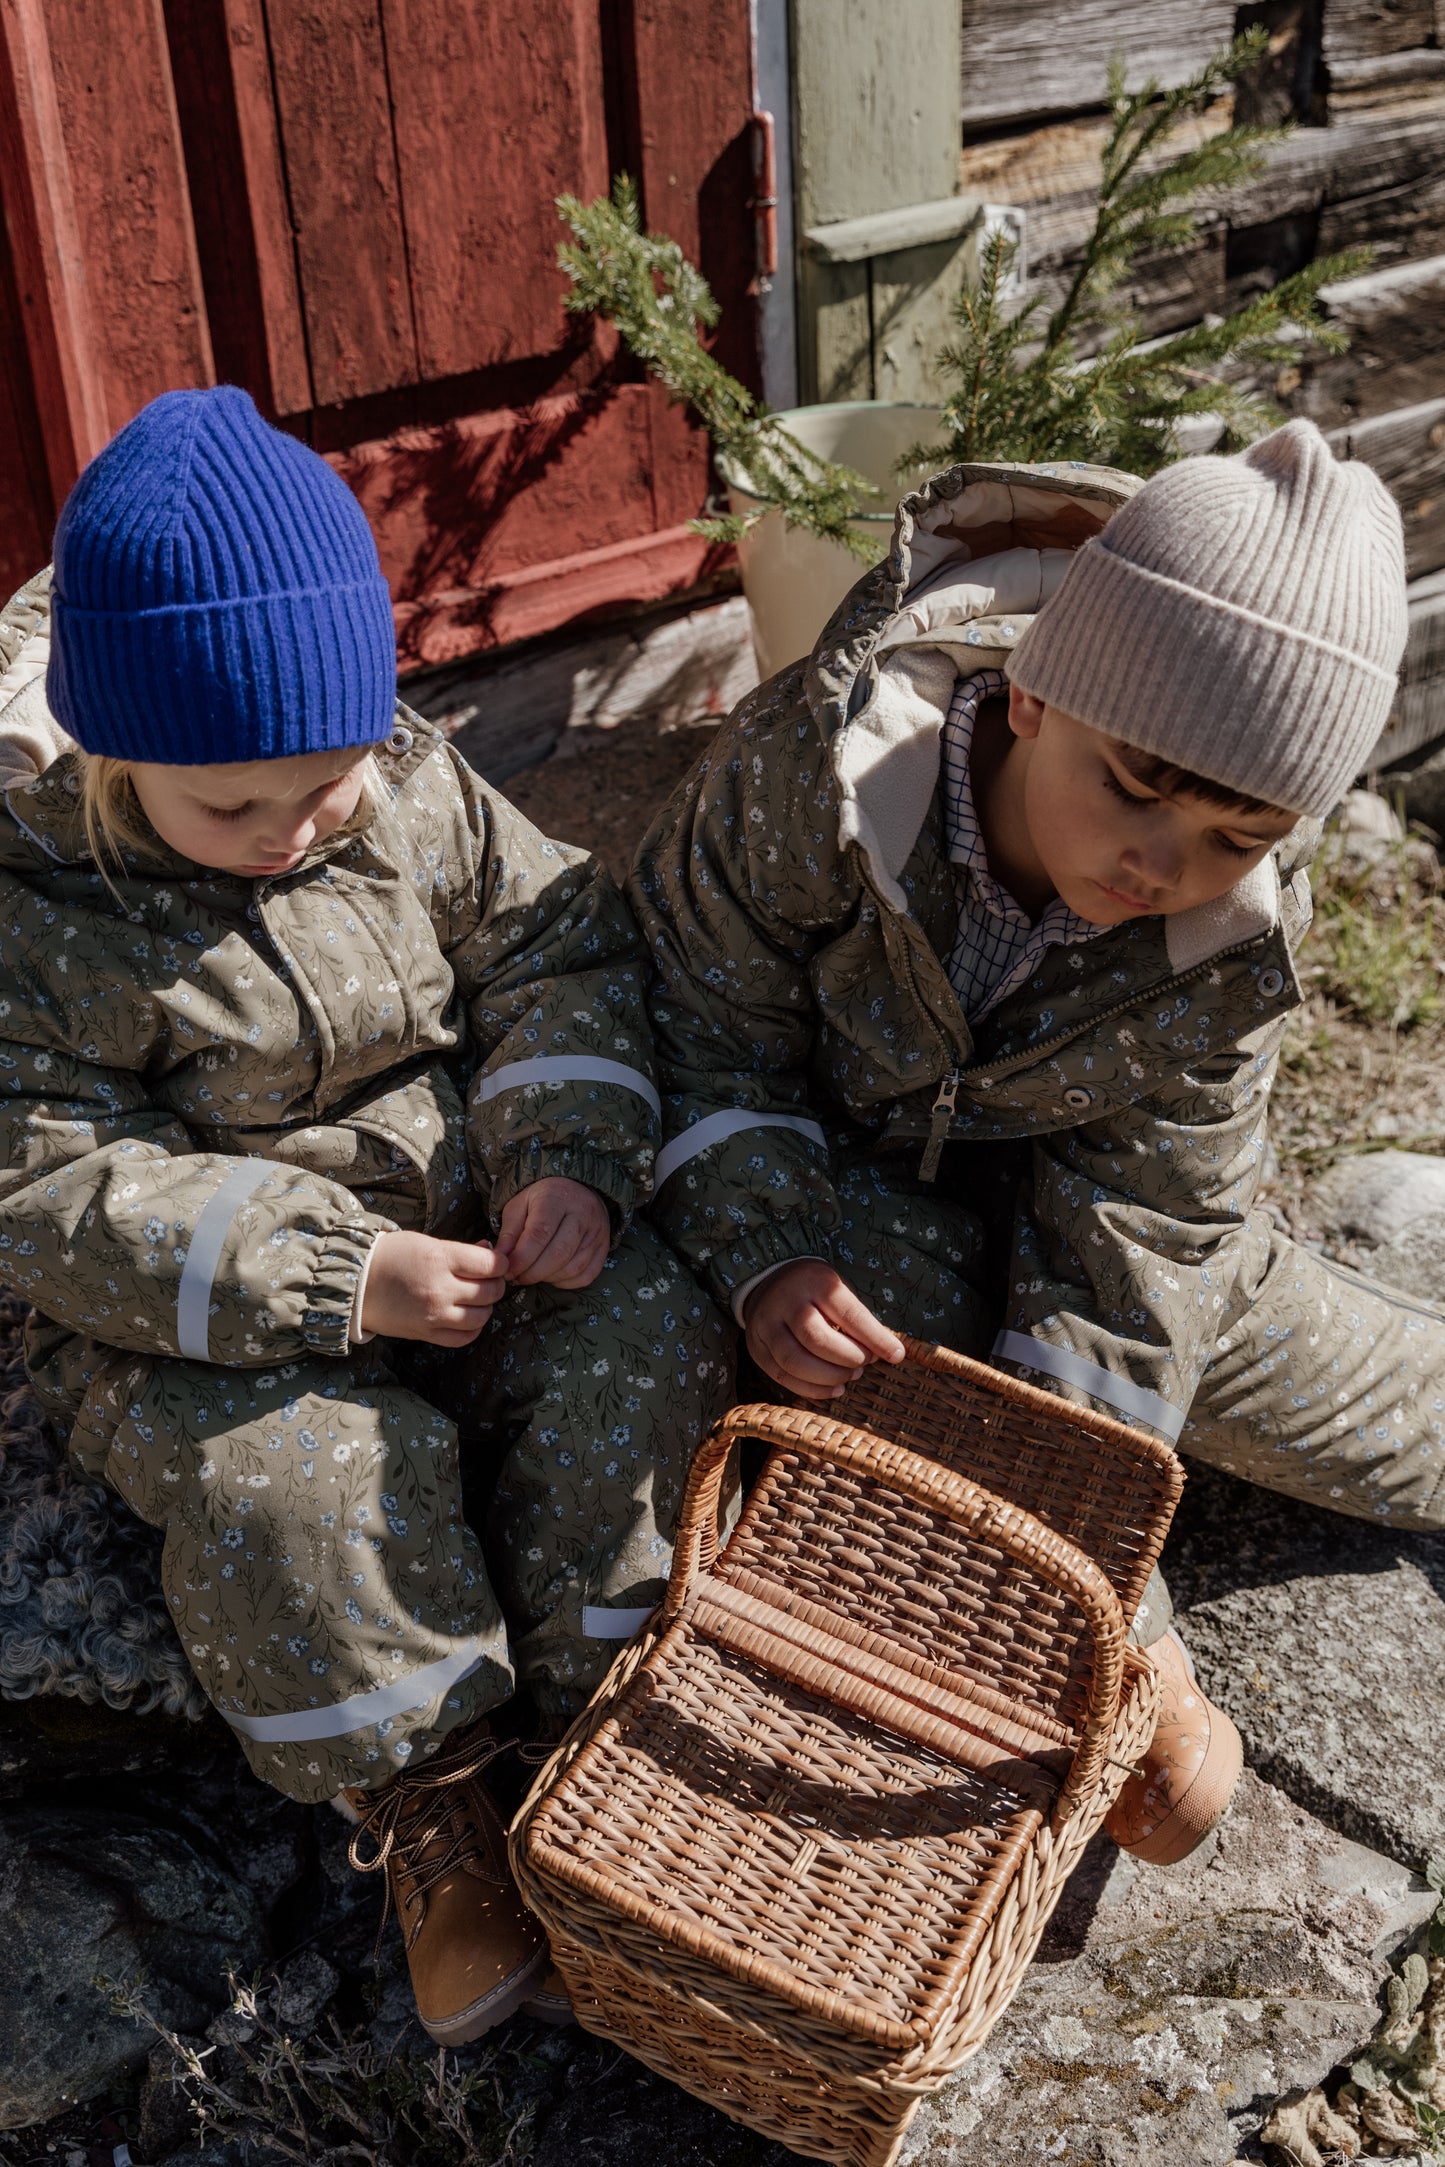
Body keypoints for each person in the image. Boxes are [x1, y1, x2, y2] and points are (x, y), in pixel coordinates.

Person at [0, 387, 727, 2042]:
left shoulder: (407, 787)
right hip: (190, 1314)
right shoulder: (40, 910)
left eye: (321, 786)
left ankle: (610, 1707)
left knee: (638, 1335)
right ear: (111, 752)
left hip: (465, 1225)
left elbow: (554, 945)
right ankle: (434, 1798)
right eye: (231, 811)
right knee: (298, 1484)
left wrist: (560, 1157)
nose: (293, 831)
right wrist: (334, 1275)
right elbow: (45, 1181)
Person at [631, 418, 1442, 1866]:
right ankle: (1128, 1674)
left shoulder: (1225, 938)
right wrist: (760, 1246)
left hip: (1095, 1219)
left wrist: (1069, 1474)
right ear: (1029, 699)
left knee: (1381, 1421)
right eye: (1133, 786)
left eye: (1233, 833)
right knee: (884, 1372)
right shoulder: (812, 779)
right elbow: (698, 1020)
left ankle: (1112, 1616)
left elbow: (1156, 1228)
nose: (1160, 863)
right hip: (850, 1207)